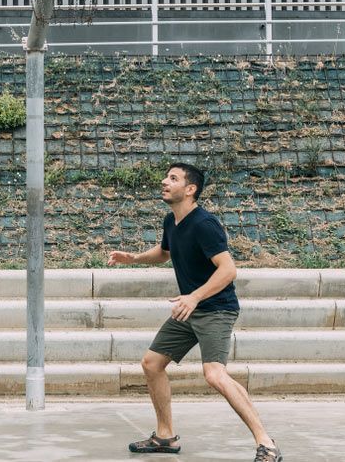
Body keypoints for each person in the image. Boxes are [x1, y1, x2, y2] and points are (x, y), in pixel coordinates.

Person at [107, 163, 283, 462]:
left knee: (214, 374)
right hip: (190, 308)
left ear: (190, 189)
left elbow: (228, 270)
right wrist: (132, 257)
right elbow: (164, 252)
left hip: (215, 309)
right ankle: (165, 436)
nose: (164, 181)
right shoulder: (171, 221)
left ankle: (266, 443)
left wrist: (195, 297)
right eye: (166, 177)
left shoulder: (204, 224)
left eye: (173, 179)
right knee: (152, 364)